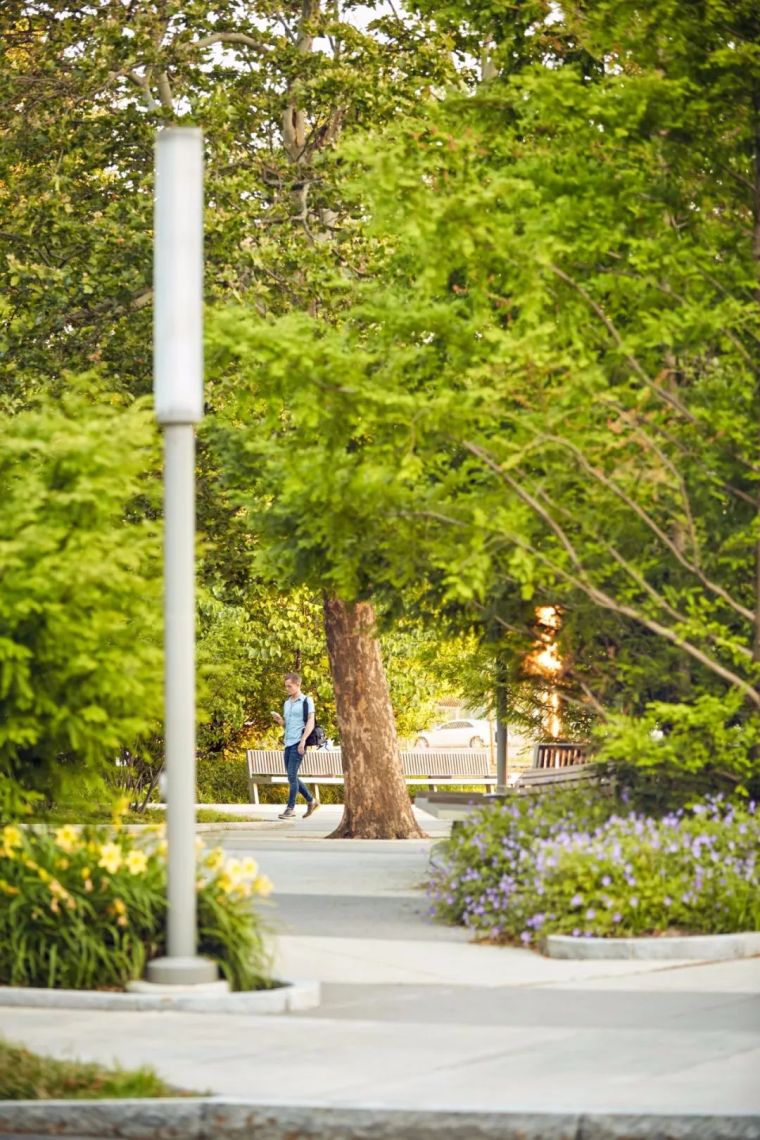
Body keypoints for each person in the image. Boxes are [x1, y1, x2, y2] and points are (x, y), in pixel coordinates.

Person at [271, 672, 319, 820]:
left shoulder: (307, 701)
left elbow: (310, 722)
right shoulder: (287, 703)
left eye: (289, 686)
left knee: (291, 775)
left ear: (298, 685)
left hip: (299, 742)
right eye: (286, 686)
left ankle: (290, 808)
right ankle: (311, 800)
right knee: (292, 776)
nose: (287, 689)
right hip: (288, 742)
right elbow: (288, 725)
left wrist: (303, 740)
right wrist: (281, 721)